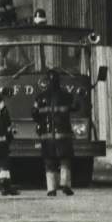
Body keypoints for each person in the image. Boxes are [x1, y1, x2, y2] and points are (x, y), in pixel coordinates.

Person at [33, 68, 79, 197]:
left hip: (46, 134)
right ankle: (65, 184)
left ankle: (51, 189)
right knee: (65, 160)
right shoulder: (67, 96)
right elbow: (76, 106)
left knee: (49, 161)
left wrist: (40, 122)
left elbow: (34, 114)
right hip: (63, 133)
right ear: (59, 81)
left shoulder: (40, 98)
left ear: (47, 82)